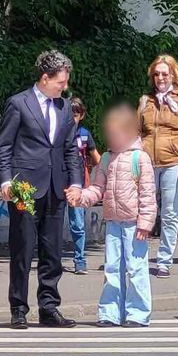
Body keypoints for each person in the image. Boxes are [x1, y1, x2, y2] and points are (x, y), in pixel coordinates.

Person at [0, 49, 84, 329]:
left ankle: (49, 307)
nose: (65, 87)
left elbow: (71, 149)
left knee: (52, 251)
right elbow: (4, 146)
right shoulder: (18, 103)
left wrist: (76, 183)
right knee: (22, 249)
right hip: (24, 188)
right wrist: (6, 180)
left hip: (56, 188)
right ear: (45, 78)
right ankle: (18, 309)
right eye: (61, 82)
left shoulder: (65, 107)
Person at [81, 103, 156, 327]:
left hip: (134, 224)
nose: (112, 138)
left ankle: (138, 313)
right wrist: (81, 198)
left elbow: (148, 194)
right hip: (113, 221)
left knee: (136, 268)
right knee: (112, 267)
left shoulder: (139, 158)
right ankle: (109, 312)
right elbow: (97, 188)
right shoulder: (106, 158)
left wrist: (145, 222)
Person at [139, 55, 178, 276]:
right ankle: (140, 256)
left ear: (173, 75)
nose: (161, 77)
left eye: (165, 73)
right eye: (157, 74)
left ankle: (164, 259)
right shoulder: (146, 100)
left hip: (174, 162)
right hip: (147, 162)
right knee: (144, 210)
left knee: (170, 212)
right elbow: (139, 131)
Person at [67, 96, 101, 275]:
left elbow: (97, 159)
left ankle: (80, 261)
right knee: (52, 225)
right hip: (57, 183)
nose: (73, 117)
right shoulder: (57, 132)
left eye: (76, 114)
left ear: (82, 115)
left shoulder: (85, 134)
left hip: (78, 185)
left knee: (78, 225)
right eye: (69, 113)